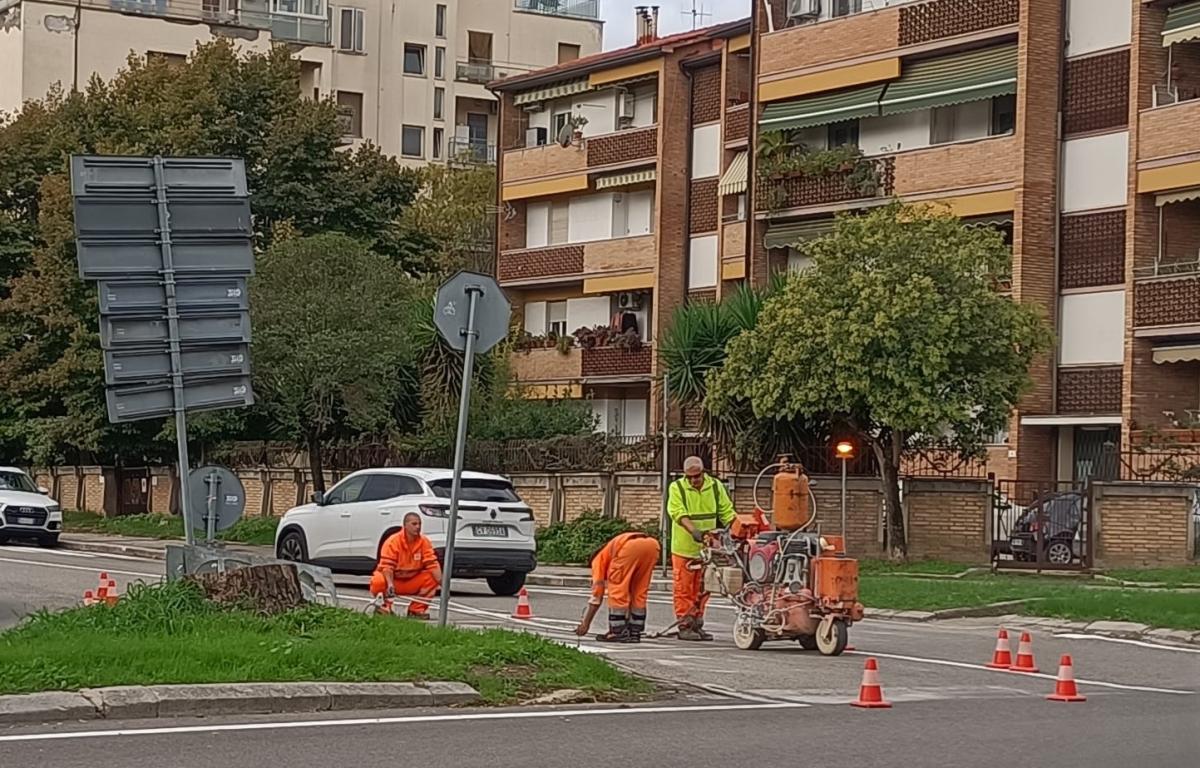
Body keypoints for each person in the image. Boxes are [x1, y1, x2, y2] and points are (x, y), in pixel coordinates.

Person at [667, 455, 736, 641]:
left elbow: (726, 511)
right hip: (684, 548)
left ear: (703, 473)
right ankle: (685, 625)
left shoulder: (714, 486)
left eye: (696, 476)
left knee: (703, 588)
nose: (693, 480)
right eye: (689, 477)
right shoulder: (677, 488)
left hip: (707, 548)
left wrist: (736, 528)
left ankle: (697, 623)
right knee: (684, 589)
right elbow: (678, 513)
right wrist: (694, 531)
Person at [574, 530, 661, 643]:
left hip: (630, 548)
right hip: (652, 545)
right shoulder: (609, 551)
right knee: (639, 590)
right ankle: (635, 632)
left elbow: (596, 597)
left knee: (617, 589)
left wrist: (586, 624)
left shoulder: (597, 561)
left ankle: (617, 631)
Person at [368, 512, 442, 620]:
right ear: (405, 525)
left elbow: (432, 564)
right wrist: (390, 584)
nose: (418, 527)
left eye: (419, 524)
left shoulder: (424, 542)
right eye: (414, 524)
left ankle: (416, 610)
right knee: (378, 580)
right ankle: (384, 608)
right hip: (393, 581)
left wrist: (443, 584)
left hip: (411, 580)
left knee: (431, 578)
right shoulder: (392, 542)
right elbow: (387, 566)